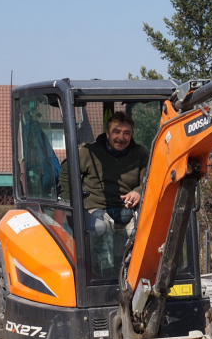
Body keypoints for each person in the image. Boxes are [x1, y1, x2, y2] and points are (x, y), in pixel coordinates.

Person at [59, 111, 149, 278]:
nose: (121, 137)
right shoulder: (89, 152)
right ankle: (105, 278)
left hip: (127, 209)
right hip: (96, 207)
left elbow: (150, 178)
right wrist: (69, 201)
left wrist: (138, 192)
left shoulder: (140, 154)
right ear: (107, 134)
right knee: (101, 228)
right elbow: (66, 173)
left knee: (143, 230)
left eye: (126, 133)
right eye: (116, 132)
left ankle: (135, 276)